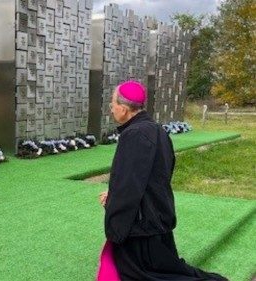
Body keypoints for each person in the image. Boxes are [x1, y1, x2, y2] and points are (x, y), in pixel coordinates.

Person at [97, 80, 227, 280]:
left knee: (146, 275)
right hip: (156, 217)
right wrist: (114, 194)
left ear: (123, 109)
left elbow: (128, 187)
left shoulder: (133, 135)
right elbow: (156, 176)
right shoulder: (156, 130)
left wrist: (114, 218)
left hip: (140, 227)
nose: (111, 108)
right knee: (167, 269)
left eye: (112, 104)